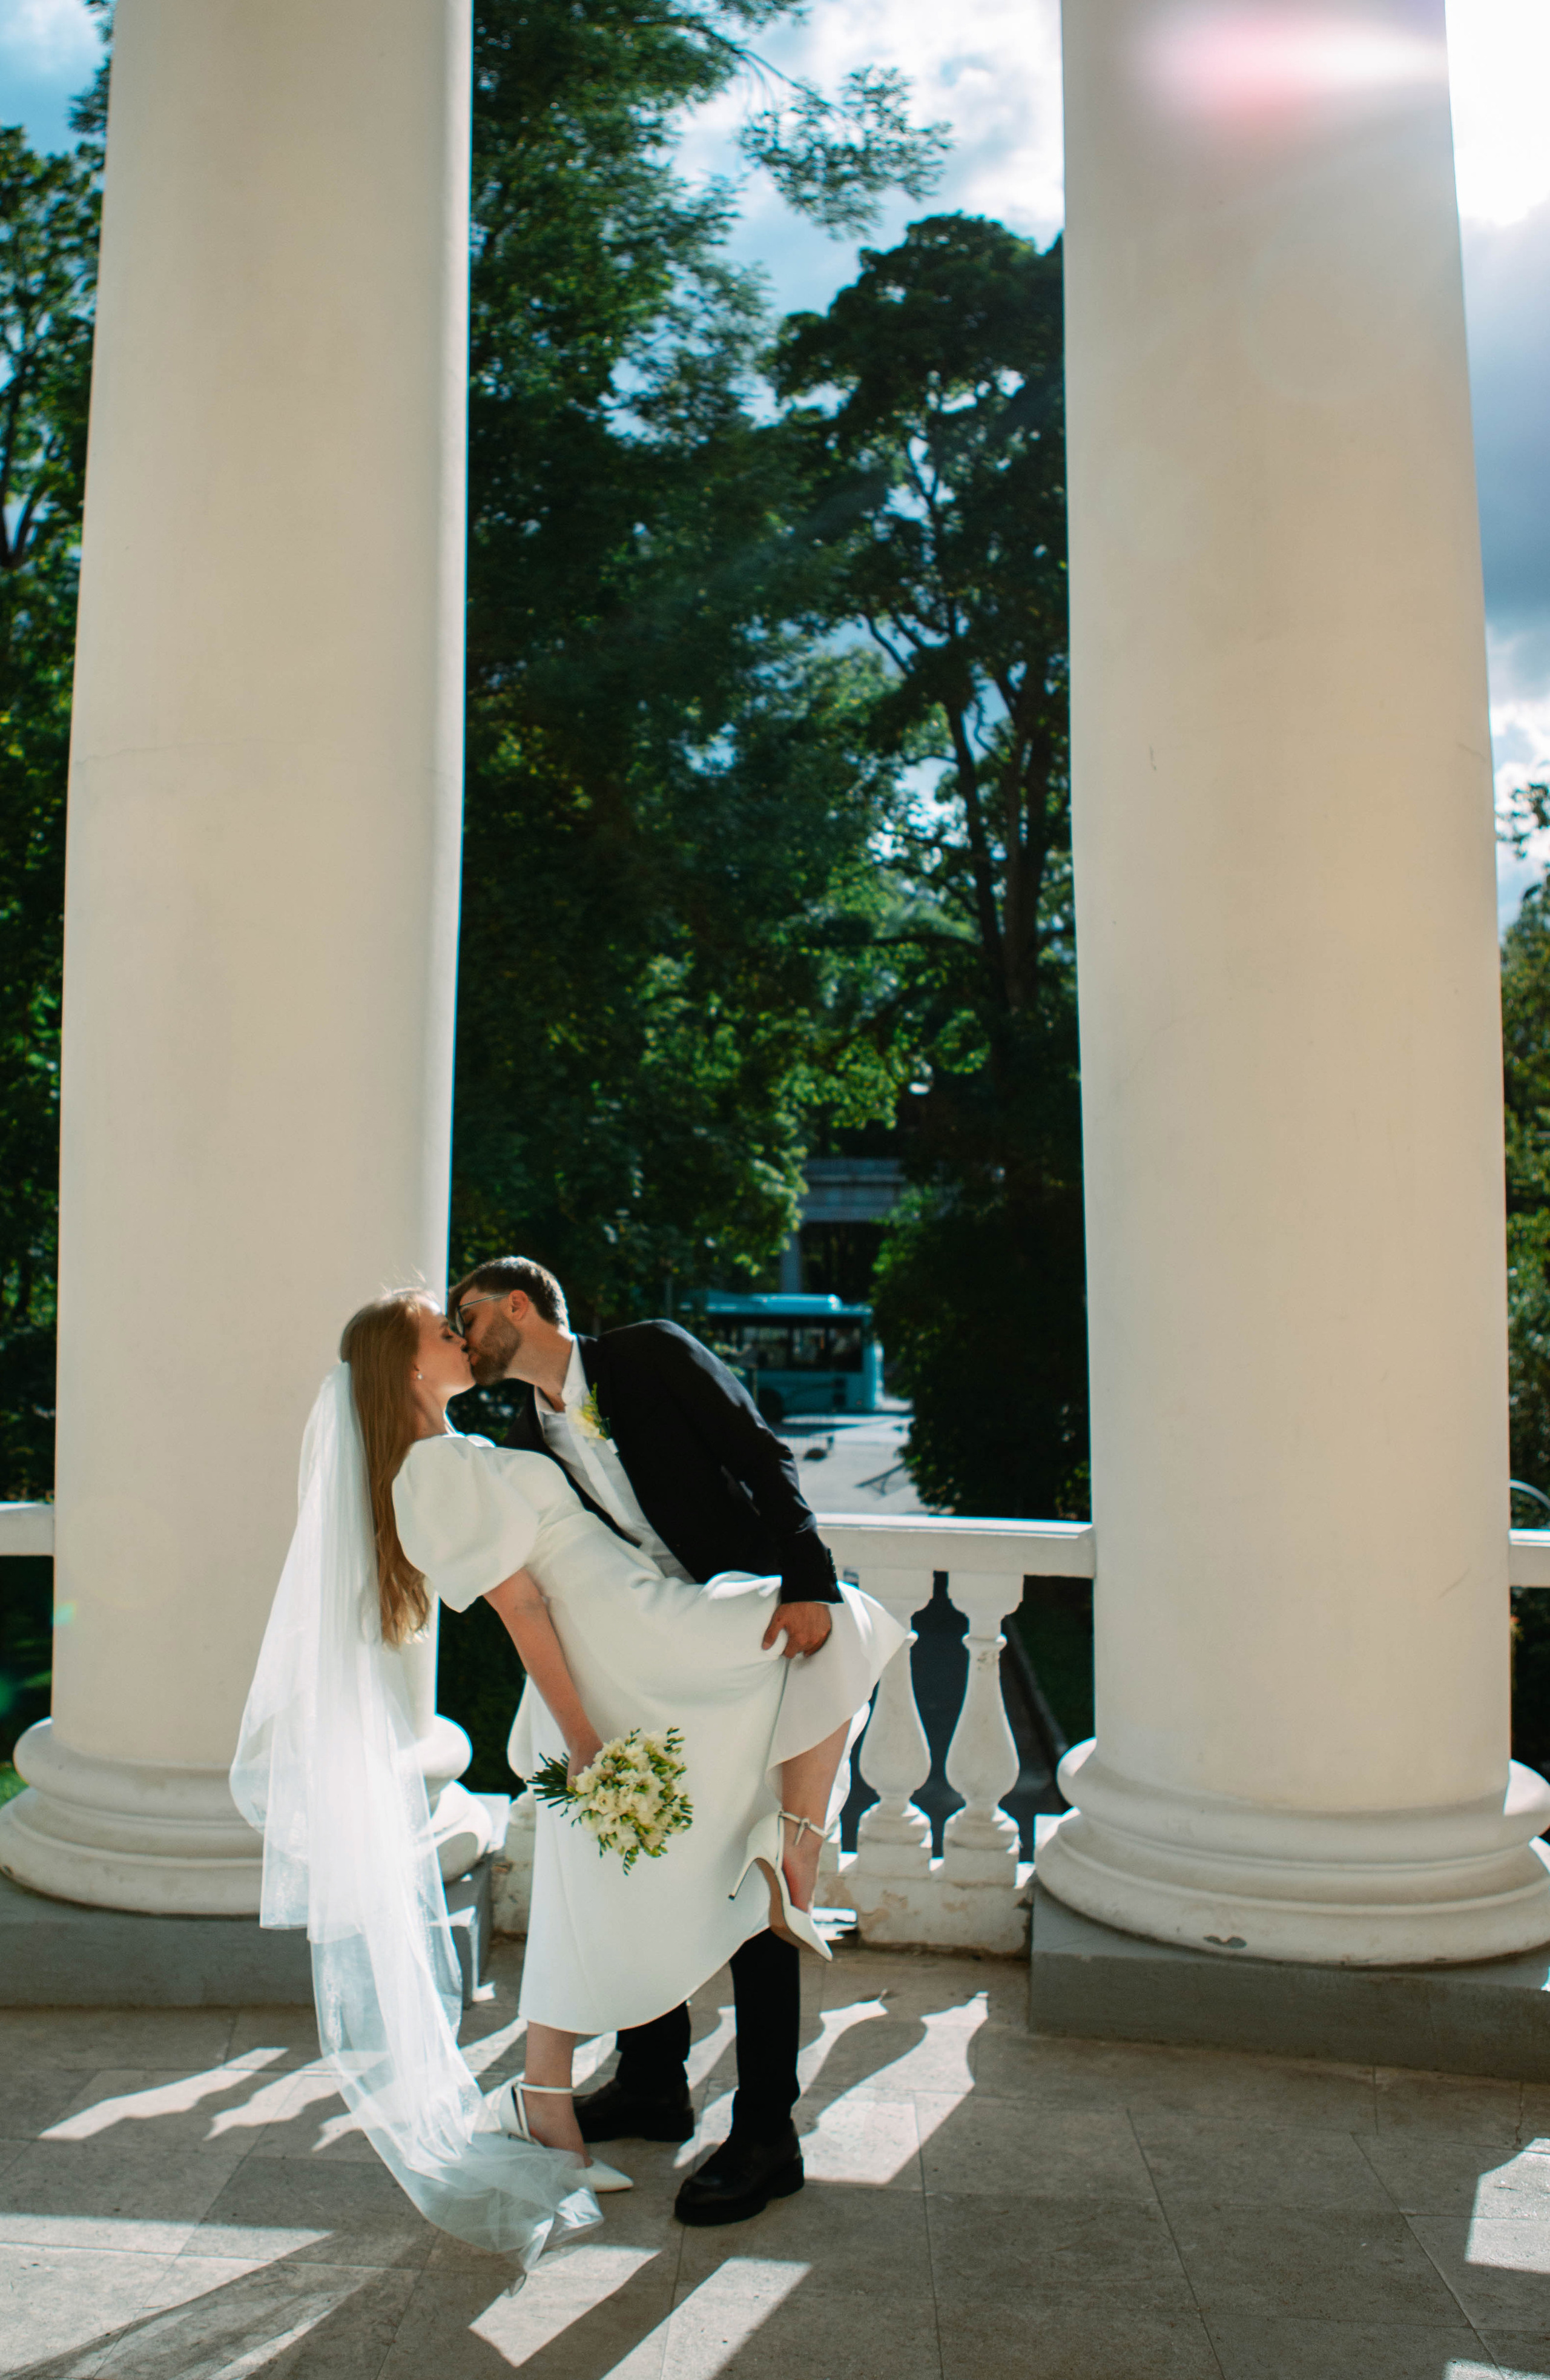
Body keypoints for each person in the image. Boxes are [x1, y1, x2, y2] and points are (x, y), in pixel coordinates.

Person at [447, 1253, 865, 2226]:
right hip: (645, 1660)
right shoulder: (522, 1436)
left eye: (469, 1317)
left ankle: (768, 2132)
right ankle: (652, 2080)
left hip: (748, 1633)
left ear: (519, 1303)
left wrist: (808, 1578)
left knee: (749, 1869)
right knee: (641, 1849)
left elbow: (761, 1451)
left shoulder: (648, 1354)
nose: (463, 1339)